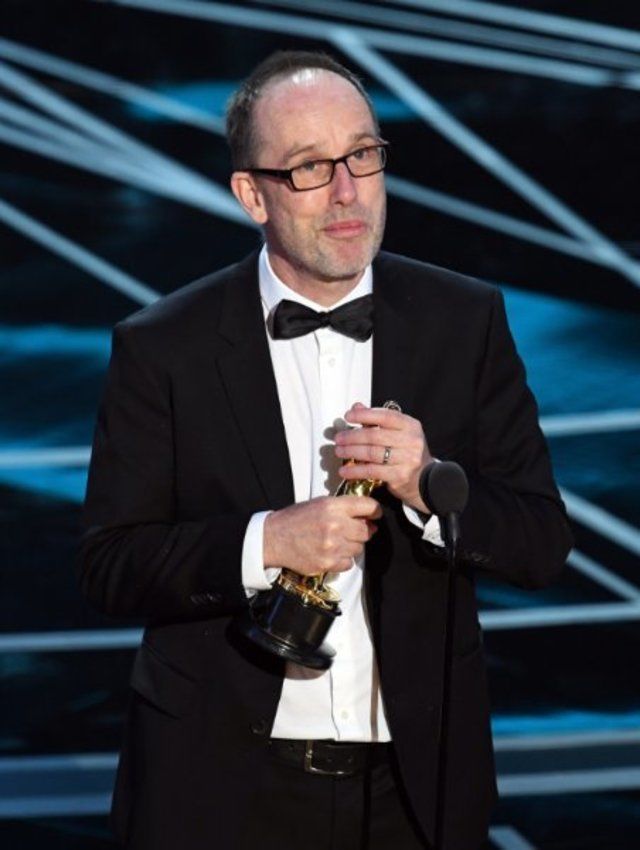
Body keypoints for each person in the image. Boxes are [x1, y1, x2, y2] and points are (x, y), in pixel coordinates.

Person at [79, 51, 572, 850]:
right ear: (252, 195)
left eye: (362, 155)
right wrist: (266, 542)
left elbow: (541, 543)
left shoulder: (464, 320)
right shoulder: (163, 346)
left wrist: (428, 487)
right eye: (310, 167)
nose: (347, 191)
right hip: (218, 788)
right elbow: (109, 564)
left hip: (416, 789)